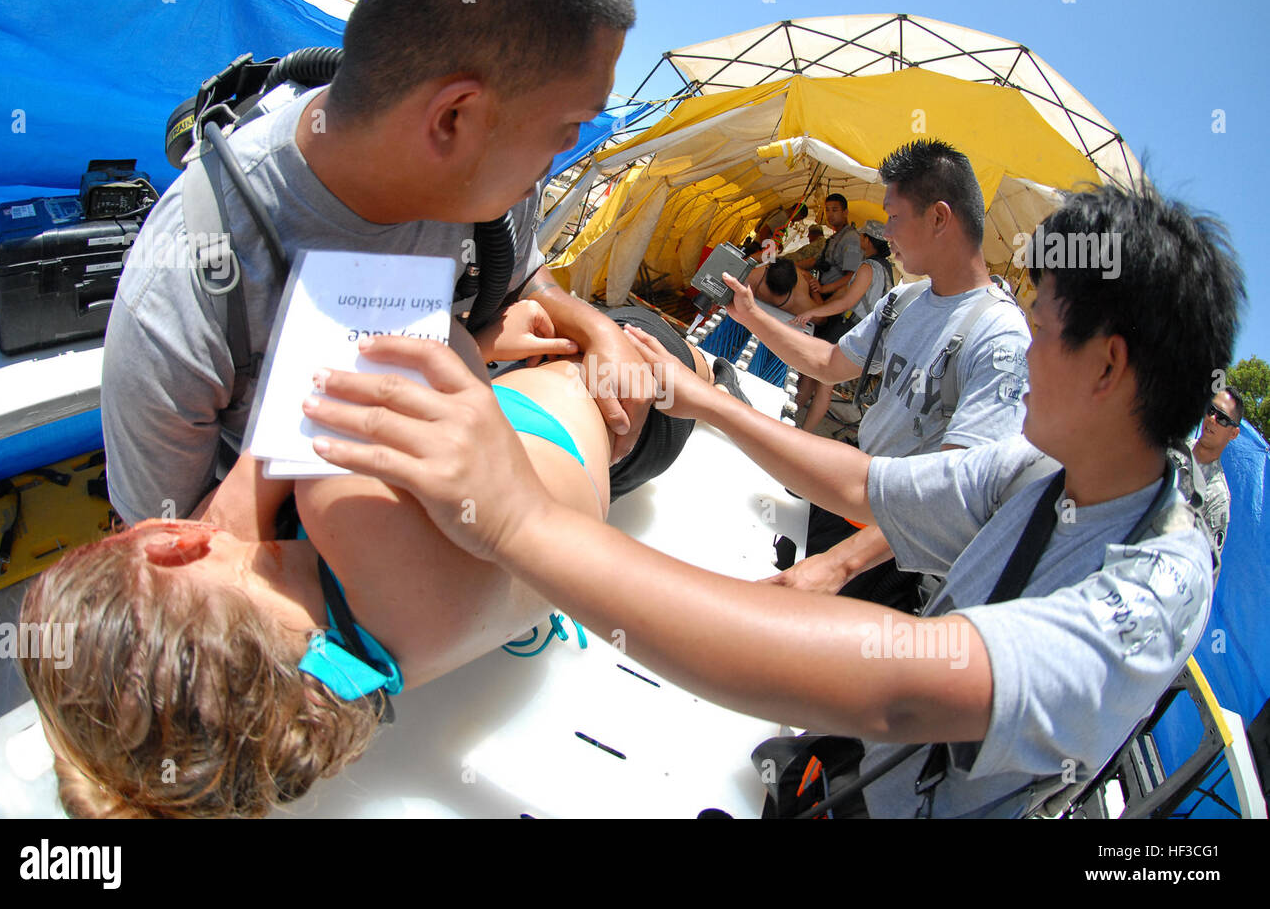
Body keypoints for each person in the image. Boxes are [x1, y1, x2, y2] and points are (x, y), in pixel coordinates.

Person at [304, 180, 1244, 819]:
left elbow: (908, 689)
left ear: (1109, 364)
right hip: (860, 778)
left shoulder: (1154, 586)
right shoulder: (1044, 472)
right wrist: (703, 396)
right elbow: (861, 484)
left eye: (1044, 333)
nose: (1026, 357)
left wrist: (518, 521)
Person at [20, 311, 704, 818]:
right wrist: (243, 496)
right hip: (616, 383)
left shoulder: (336, 686)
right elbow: (397, 325)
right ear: (175, 544)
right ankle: (707, 369)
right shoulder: (341, 496)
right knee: (691, 360)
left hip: (624, 466)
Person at [100, 0, 653, 527]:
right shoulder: (187, 284)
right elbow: (168, 554)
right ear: (452, 119)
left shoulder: (488, 182)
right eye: (567, 127)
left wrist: (597, 330)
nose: (564, 151)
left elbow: (523, 276)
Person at [723, 141, 1032, 609]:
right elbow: (828, 363)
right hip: (852, 502)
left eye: (893, 216)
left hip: (893, 553)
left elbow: (953, 493)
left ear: (939, 218)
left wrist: (841, 564)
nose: (886, 232)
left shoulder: (999, 338)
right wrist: (752, 317)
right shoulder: (905, 303)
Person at [788, 220, 896, 434]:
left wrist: (814, 311)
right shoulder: (885, 269)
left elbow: (847, 300)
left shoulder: (868, 267)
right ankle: (790, 417)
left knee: (824, 385)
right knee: (812, 374)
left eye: (862, 237)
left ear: (867, 239)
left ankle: (802, 432)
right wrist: (820, 294)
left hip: (848, 329)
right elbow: (844, 291)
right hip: (857, 330)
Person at [1169, 387, 1242, 575]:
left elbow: (1204, 571)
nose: (1212, 419)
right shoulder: (1172, 447)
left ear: (1233, 433)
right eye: (1211, 410)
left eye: (1222, 418)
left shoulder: (1217, 498)